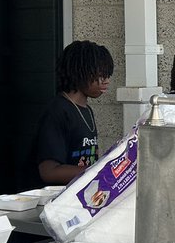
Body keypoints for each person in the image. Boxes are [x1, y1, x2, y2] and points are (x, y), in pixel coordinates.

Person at [31, 40, 114, 186]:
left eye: (107, 75)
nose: (106, 81)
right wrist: (99, 170)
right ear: (79, 72)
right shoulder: (57, 111)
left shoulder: (87, 111)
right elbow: (49, 172)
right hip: (55, 201)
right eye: (101, 75)